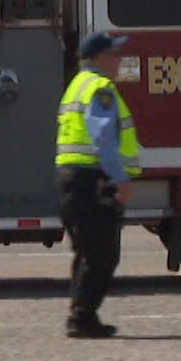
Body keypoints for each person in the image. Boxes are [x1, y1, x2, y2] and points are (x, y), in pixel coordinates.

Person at [54, 31, 143, 339]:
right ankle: (82, 317)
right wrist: (120, 177)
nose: (119, 60)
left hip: (73, 180)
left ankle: (81, 314)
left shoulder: (76, 86)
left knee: (88, 252)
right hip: (94, 179)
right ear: (99, 58)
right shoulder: (100, 88)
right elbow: (103, 137)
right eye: (114, 54)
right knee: (102, 254)